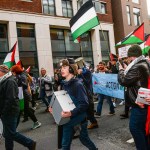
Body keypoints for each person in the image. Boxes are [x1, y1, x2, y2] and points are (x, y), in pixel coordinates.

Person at [49, 58, 97, 150]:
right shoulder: (64, 84)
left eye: (64, 67)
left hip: (78, 120)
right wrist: (54, 109)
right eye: (61, 67)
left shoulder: (77, 85)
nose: (61, 69)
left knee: (82, 140)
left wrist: (71, 113)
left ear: (71, 68)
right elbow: (64, 102)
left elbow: (84, 104)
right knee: (68, 144)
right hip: (69, 121)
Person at [118, 44, 150, 150]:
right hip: (141, 102)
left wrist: (121, 70)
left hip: (139, 104)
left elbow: (124, 81)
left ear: (132, 56)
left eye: (128, 57)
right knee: (141, 130)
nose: (128, 59)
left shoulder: (138, 66)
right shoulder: (142, 63)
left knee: (135, 129)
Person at [0, 65, 36, 150]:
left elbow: (11, 99)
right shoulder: (4, 80)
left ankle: (30, 143)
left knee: (11, 133)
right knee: (7, 134)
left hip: (10, 111)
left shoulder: (10, 81)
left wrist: (3, 112)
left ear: (1, 72)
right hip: (7, 111)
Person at [11, 65, 41, 130]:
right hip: (22, 95)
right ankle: (36, 122)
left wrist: (18, 79)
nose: (12, 72)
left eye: (13, 71)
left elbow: (25, 85)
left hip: (24, 95)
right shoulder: (20, 75)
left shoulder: (22, 76)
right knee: (24, 110)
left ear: (15, 71)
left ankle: (14, 129)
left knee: (22, 110)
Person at [76, 59, 98, 129]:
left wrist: (81, 74)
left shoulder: (87, 71)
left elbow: (87, 81)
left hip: (88, 92)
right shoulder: (79, 71)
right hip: (82, 92)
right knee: (84, 110)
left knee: (89, 110)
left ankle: (94, 123)